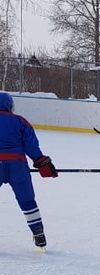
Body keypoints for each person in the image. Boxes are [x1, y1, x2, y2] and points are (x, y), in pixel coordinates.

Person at [0, 90, 58, 249]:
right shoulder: (20, 121)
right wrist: (41, 162)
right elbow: (31, 146)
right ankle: (38, 234)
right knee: (27, 201)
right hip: (18, 166)